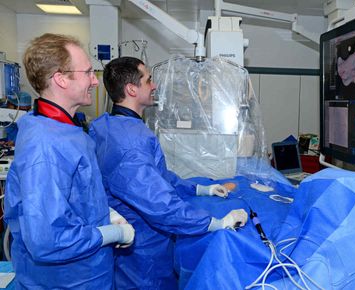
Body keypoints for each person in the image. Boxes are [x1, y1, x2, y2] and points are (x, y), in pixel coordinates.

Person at [89, 56, 248, 289]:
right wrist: (216, 223)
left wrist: (200, 188)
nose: (154, 86)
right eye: (148, 80)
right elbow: (159, 203)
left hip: (138, 249)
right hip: (143, 256)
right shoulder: (129, 142)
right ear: (132, 89)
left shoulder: (110, 126)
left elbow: (156, 176)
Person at [4, 33, 135, 289]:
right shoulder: (45, 144)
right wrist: (113, 233)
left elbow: (73, 195)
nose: (94, 82)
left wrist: (106, 213)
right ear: (61, 79)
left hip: (87, 273)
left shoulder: (64, 130)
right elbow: (47, 239)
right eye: (87, 72)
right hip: (66, 281)